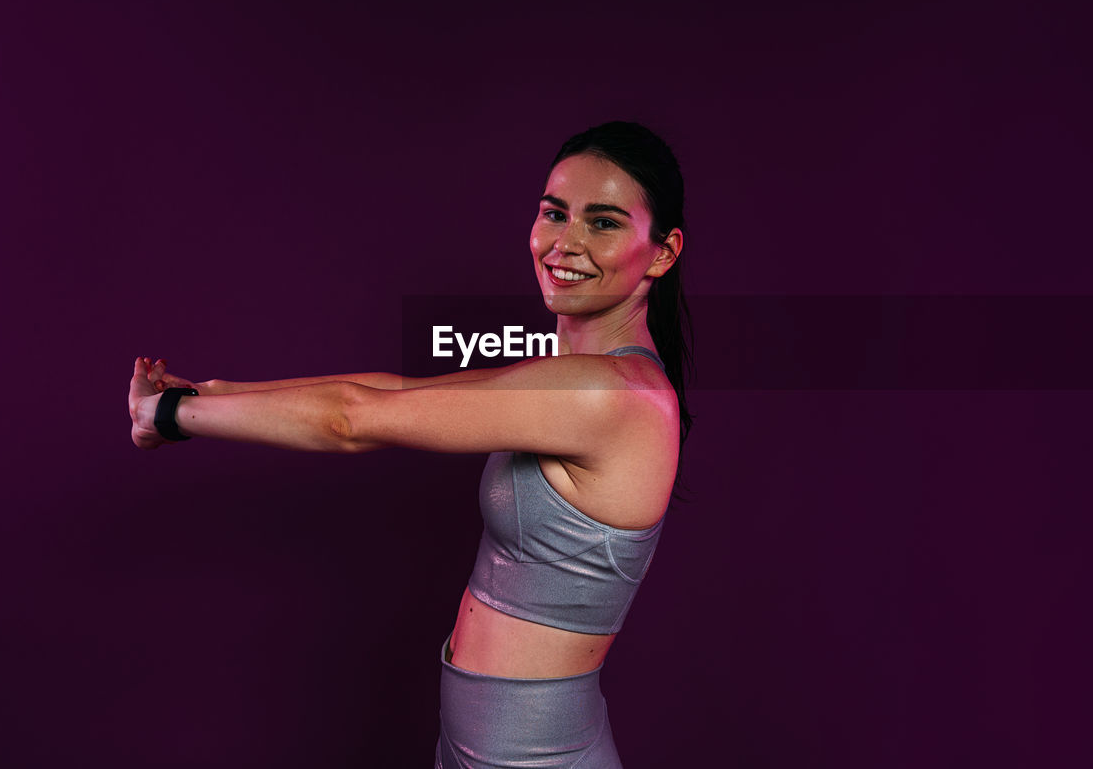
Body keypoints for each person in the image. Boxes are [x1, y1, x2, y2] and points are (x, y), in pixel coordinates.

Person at [127, 120, 694, 767]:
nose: (565, 243)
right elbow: (390, 389)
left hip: (533, 757)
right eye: (554, 213)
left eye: (604, 222)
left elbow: (353, 418)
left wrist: (166, 416)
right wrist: (206, 390)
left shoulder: (608, 395)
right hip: (483, 746)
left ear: (662, 252)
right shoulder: (571, 377)